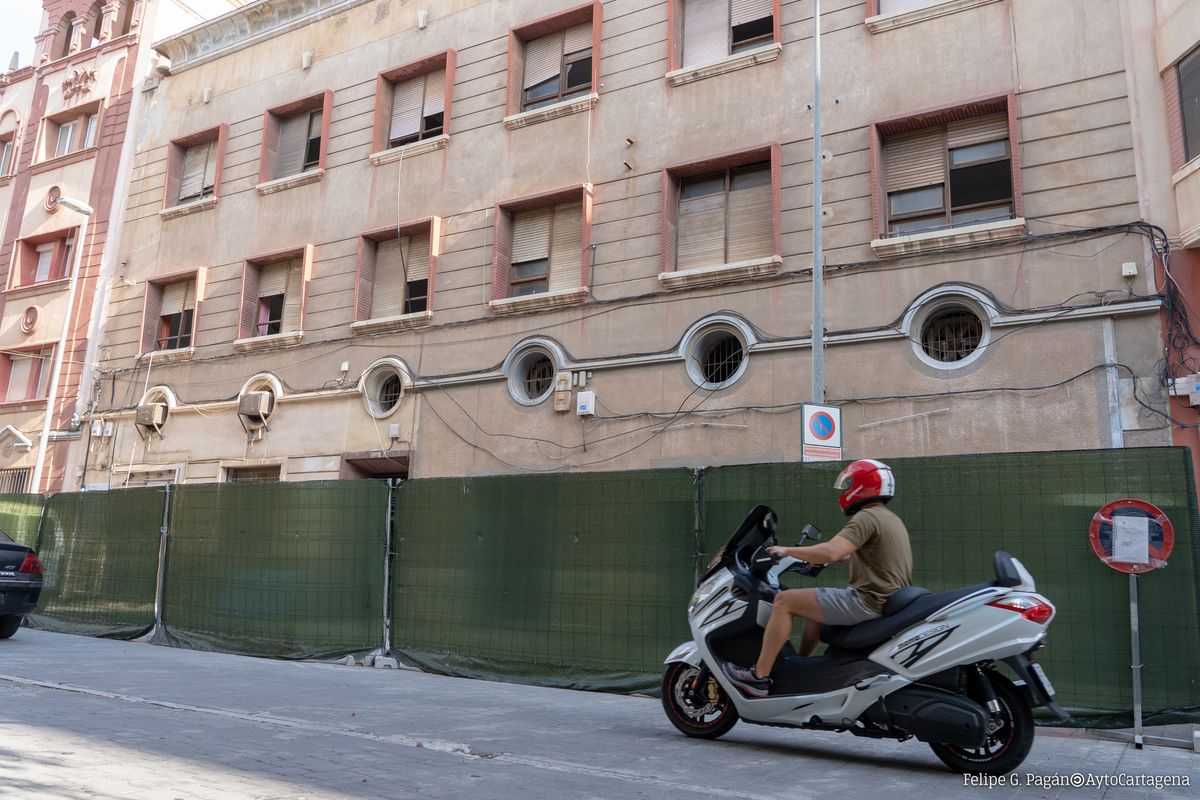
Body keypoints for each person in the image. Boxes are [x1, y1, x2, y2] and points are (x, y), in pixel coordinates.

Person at [722, 459, 913, 698]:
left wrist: (787, 551)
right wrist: (831, 560)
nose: (845, 491)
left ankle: (758, 678)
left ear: (861, 486)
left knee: (784, 601)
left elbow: (831, 550)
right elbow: (867, 560)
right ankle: (801, 666)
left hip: (868, 600)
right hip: (886, 599)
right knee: (815, 608)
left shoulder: (866, 518)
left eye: (848, 485)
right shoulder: (889, 518)